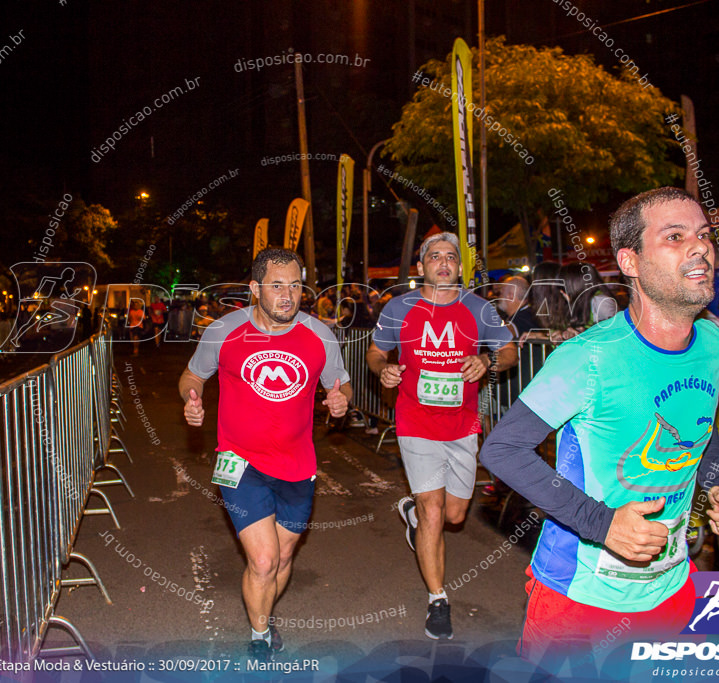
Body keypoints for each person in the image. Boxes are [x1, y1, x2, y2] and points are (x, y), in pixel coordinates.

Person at [479, 187, 719, 662]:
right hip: (581, 596)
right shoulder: (587, 357)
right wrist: (602, 524)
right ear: (631, 261)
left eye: (703, 234)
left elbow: (699, 435)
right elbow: (502, 450)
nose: (700, 246)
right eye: (675, 235)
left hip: (676, 586)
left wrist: (718, 485)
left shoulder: (714, 341)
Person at [178, 248, 352, 661]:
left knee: (283, 556)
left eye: (295, 285)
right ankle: (259, 635)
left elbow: (341, 383)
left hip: (297, 464)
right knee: (263, 559)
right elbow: (192, 374)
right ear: (255, 288)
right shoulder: (222, 331)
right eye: (277, 285)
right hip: (240, 462)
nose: (288, 294)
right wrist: (192, 397)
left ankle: (264, 611)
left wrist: (341, 399)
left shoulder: (319, 336)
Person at [366, 232, 517, 640]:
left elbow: (510, 351)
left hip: (463, 425)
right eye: (435, 256)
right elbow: (376, 352)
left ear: (460, 268)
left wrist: (487, 360)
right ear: (422, 267)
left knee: (453, 515)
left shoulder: (479, 308)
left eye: (451, 257)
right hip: (415, 421)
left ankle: (414, 517)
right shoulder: (399, 307)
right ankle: (437, 600)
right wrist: (383, 370)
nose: (444, 262)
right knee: (434, 510)